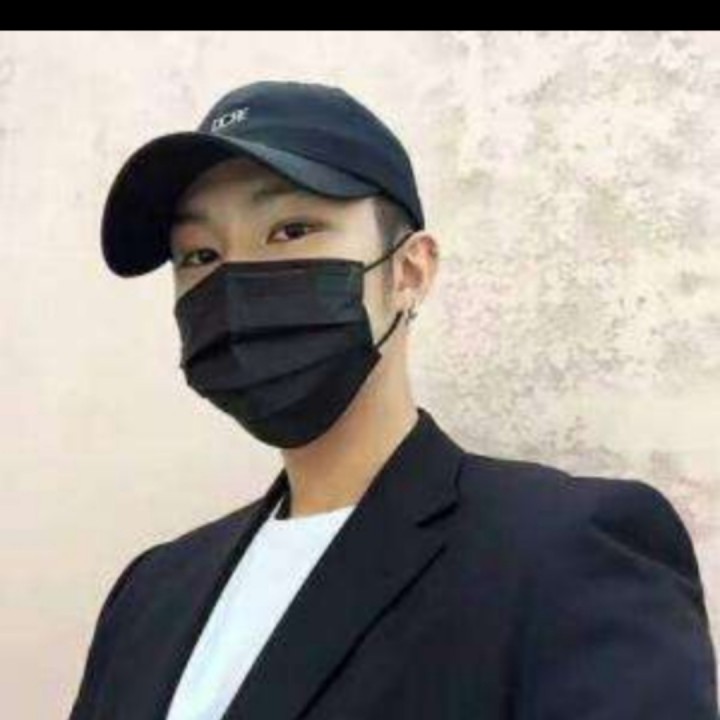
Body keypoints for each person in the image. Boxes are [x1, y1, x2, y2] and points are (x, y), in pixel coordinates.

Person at [68, 80, 718, 719]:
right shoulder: (151, 595)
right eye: (200, 254)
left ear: (409, 271)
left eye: (292, 230)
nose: (235, 282)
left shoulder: (562, 553)